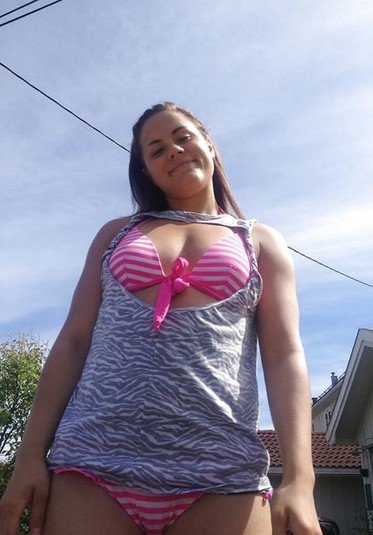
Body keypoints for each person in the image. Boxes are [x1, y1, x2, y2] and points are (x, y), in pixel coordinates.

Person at [0, 102, 321, 535]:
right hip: (93, 463)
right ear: (146, 171)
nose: (173, 149)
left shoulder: (259, 241)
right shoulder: (116, 233)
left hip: (223, 471)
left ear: (209, 144)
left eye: (183, 137)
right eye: (156, 149)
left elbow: (284, 356)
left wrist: (301, 479)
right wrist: (28, 457)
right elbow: (73, 341)